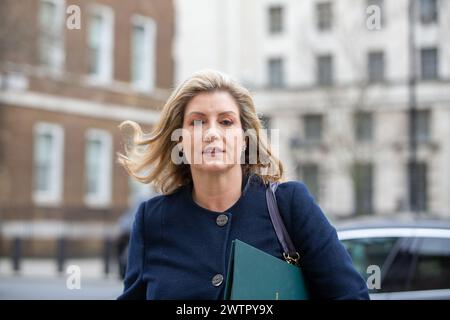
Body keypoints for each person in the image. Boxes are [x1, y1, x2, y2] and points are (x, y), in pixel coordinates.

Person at [116, 69, 369, 300]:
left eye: (226, 122)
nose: (212, 133)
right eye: (197, 121)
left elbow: (350, 296)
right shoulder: (152, 219)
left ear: (245, 139)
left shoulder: (289, 205)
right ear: (180, 140)